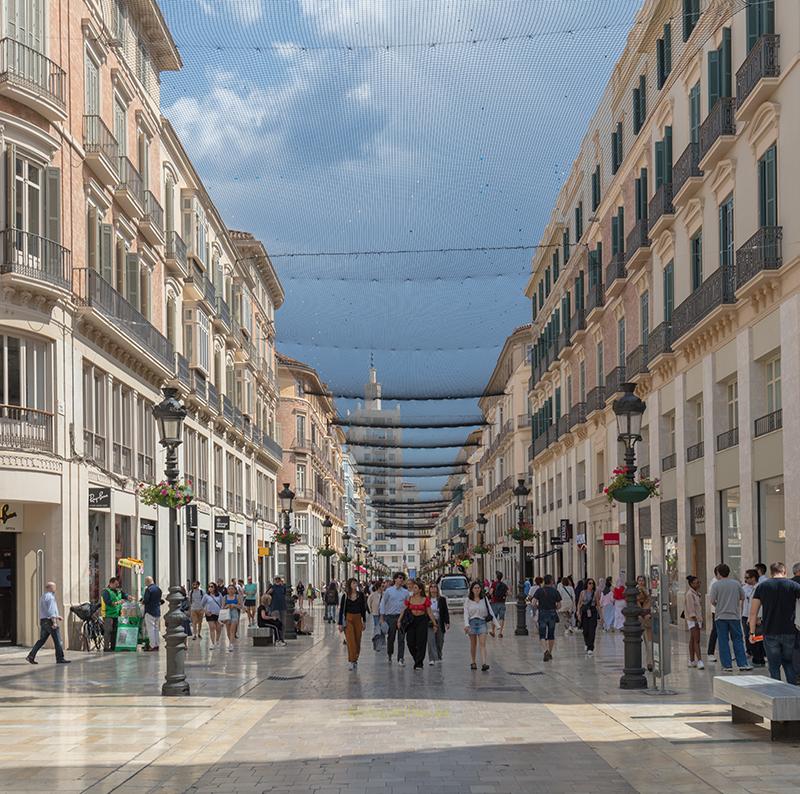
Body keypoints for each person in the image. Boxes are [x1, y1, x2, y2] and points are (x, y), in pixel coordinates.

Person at [749, 562, 800, 684]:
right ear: (784, 571)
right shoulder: (794, 586)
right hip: (790, 631)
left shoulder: (762, 587)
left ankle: (776, 692)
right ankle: (792, 693)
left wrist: (752, 633)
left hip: (770, 631)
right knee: (789, 664)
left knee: (774, 665)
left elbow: (753, 613)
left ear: (771, 573)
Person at [709, 563, 751, 673]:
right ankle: (742, 663)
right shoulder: (736, 584)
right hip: (734, 616)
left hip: (721, 616)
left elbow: (712, 601)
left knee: (723, 641)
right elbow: (742, 597)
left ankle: (727, 665)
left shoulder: (716, 585)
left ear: (718, 573)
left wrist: (720, 605)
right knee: (737, 639)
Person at [26, 582, 69, 665]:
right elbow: (51, 610)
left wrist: (57, 616)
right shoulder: (50, 597)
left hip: (43, 621)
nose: (55, 588)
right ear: (50, 588)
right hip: (50, 621)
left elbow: (46, 610)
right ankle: (60, 658)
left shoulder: (43, 596)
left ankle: (31, 656)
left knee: (41, 640)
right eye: (54, 587)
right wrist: (54, 622)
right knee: (58, 641)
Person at [400, 580, 438, 671]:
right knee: (410, 642)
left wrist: (435, 624)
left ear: (420, 590)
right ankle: (417, 658)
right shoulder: (409, 599)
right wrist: (399, 620)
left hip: (422, 621)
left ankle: (419, 663)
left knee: (421, 642)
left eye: (415, 587)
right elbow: (403, 610)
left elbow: (429, 612)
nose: (413, 589)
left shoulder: (425, 600)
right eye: (413, 587)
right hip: (411, 621)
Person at [464, 581, 498, 671]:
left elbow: (490, 611)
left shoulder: (484, 599)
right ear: (471, 589)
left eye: (478, 588)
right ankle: (473, 662)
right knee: (473, 644)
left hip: (482, 622)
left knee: (483, 644)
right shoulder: (468, 600)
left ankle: (484, 663)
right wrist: (466, 624)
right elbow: (466, 613)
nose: (477, 589)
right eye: (475, 588)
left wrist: (496, 624)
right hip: (472, 623)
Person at [379, 572, 410, 665]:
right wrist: (382, 617)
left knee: (401, 638)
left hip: (401, 617)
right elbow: (383, 603)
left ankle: (400, 658)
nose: (401, 580)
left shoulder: (405, 592)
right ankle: (389, 654)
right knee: (391, 638)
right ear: (395, 579)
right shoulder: (389, 591)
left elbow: (407, 605)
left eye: (402, 578)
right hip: (390, 617)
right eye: (399, 578)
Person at [338, 577, 367, 670]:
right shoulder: (345, 596)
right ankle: (351, 660)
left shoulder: (361, 595)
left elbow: (363, 609)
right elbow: (342, 610)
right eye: (353, 583)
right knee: (351, 641)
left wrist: (364, 621)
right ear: (349, 585)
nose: (355, 585)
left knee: (357, 641)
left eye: (356, 583)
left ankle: (355, 659)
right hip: (348, 619)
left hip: (358, 619)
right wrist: (340, 623)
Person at [532, 574, 561, 662]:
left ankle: (545, 651)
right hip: (552, 613)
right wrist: (554, 608)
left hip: (542, 613)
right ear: (551, 581)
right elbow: (559, 605)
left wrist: (538, 606)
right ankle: (550, 652)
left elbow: (533, 603)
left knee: (542, 634)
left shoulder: (539, 591)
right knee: (551, 634)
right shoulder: (555, 591)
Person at [742, 569, 766, 667]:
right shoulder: (748, 588)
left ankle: (758, 659)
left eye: (747, 578)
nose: (745, 580)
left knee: (756, 639)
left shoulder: (759, 588)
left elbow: (760, 604)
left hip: (755, 618)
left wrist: (759, 617)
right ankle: (756, 658)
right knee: (751, 638)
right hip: (747, 616)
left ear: (753, 578)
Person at [101, 577, 128, 652]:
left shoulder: (118, 591)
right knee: (108, 631)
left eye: (118, 584)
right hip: (108, 614)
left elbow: (124, 594)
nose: (117, 585)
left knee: (115, 631)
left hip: (116, 614)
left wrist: (128, 597)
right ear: (111, 583)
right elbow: (108, 602)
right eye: (116, 584)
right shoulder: (106, 591)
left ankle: (113, 646)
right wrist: (118, 602)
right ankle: (106, 647)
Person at [684, 575, 704, 669]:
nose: (698, 584)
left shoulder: (696, 593)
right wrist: (695, 620)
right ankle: (699, 660)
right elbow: (691, 609)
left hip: (697, 619)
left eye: (699, 582)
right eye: (696, 583)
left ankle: (692, 660)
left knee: (692, 640)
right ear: (691, 584)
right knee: (697, 640)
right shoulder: (690, 594)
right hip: (693, 620)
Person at [427, 582, 449, 664]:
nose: (433, 588)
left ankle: (439, 655)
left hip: (440, 621)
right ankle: (432, 658)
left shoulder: (442, 599)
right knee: (431, 640)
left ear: (437, 589)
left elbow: (445, 611)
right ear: (429, 589)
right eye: (431, 587)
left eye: (434, 587)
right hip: (429, 622)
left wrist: (447, 622)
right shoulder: (426, 599)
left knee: (440, 640)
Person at [578, 578, 600, 655]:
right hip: (584, 612)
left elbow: (598, 604)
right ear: (586, 584)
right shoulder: (582, 592)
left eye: (592, 583)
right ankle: (587, 643)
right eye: (589, 583)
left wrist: (601, 616)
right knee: (585, 630)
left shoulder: (595, 593)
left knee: (592, 630)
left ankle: (590, 647)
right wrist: (578, 613)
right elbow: (579, 603)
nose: (591, 585)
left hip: (593, 611)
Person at [636, 575, 653, 672]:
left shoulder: (648, 593)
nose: (641, 582)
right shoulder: (634, 593)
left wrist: (645, 592)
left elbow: (651, 601)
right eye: (639, 580)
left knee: (649, 643)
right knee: (637, 644)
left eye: (642, 581)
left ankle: (649, 663)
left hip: (647, 620)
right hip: (638, 620)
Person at [142, 576, 163, 652]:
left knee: (150, 629)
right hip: (157, 611)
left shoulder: (148, 589)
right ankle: (157, 645)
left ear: (147, 581)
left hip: (150, 611)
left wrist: (142, 602)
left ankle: (152, 645)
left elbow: (146, 600)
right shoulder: (158, 589)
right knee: (156, 629)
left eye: (145, 582)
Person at [221, 585, 242, 652]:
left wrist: (234, 605)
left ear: (235, 590)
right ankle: (230, 641)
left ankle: (231, 644)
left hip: (235, 613)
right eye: (229, 589)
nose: (231, 590)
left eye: (232, 589)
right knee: (228, 630)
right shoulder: (225, 597)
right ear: (227, 590)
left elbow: (240, 606)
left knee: (232, 630)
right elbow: (222, 607)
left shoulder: (237, 597)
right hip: (227, 614)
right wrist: (227, 606)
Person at [202, 582, 223, 649]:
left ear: (215, 588)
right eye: (209, 586)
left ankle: (217, 641)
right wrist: (206, 611)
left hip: (218, 614)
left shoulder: (219, 595)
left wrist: (222, 611)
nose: (210, 588)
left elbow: (222, 603)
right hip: (209, 614)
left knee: (218, 628)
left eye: (212, 586)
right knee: (212, 627)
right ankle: (213, 643)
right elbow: (201, 605)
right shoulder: (206, 596)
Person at [489, 572, 509, 638]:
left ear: (496, 577)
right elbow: (508, 593)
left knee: (494, 618)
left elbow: (491, 592)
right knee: (502, 618)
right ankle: (500, 633)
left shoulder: (494, 584)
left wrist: (491, 595)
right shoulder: (504, 585)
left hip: (494, 602)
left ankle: (493, 631)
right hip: (502, 603)